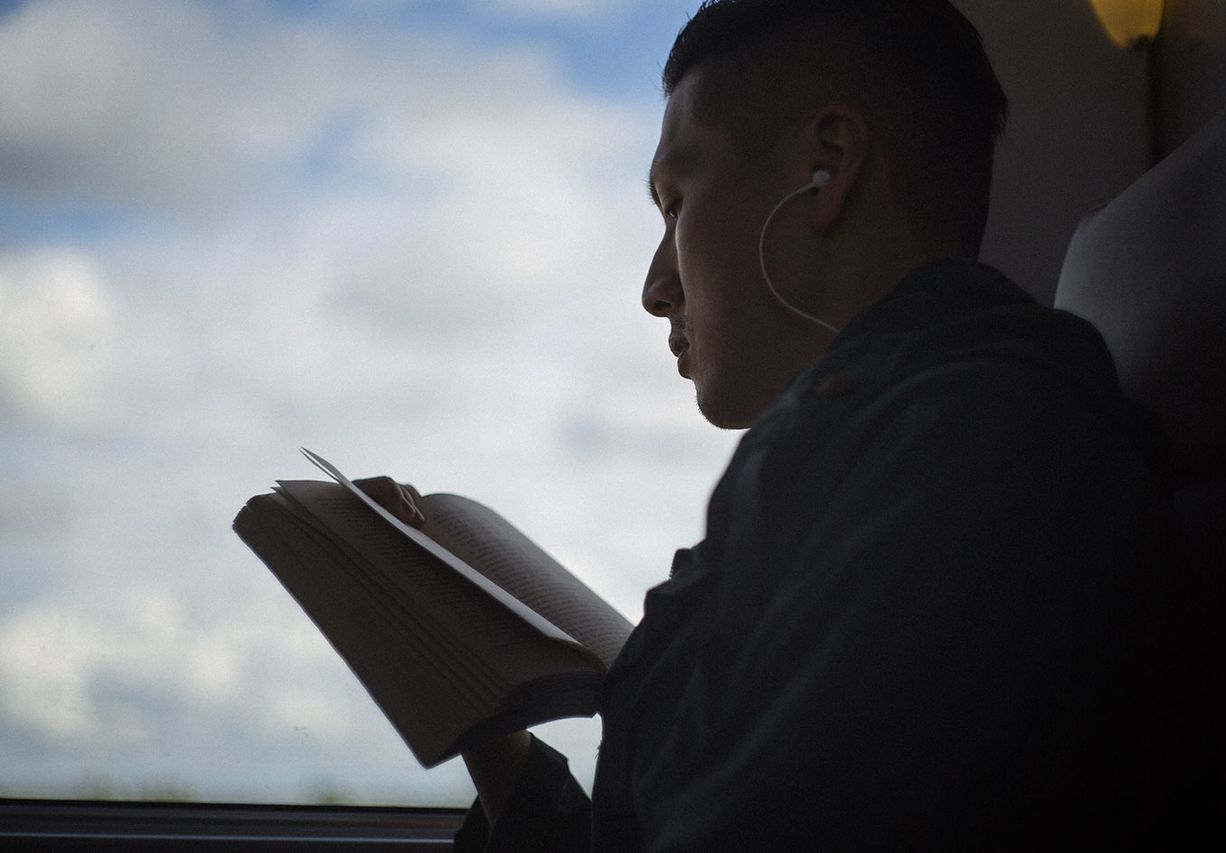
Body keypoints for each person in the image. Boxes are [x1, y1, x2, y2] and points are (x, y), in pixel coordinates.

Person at [366, 1, 1177, 849]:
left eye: (675, 201)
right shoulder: (867, 455)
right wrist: (493, 741)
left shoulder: (980, 461)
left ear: (826, 165)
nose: (655, 286)